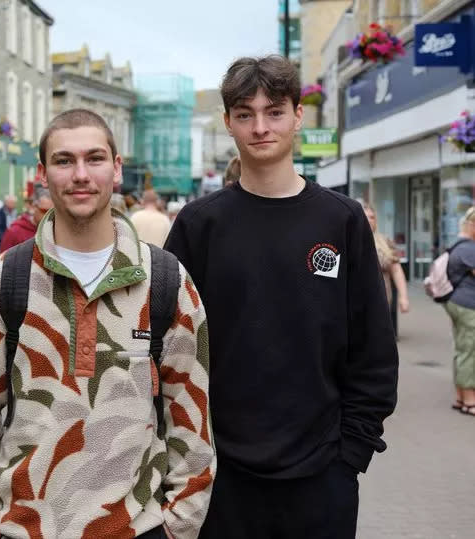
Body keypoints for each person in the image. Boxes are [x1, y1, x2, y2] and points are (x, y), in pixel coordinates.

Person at [0, 109, 214, 539]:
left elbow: (191, 416)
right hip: (22, 530)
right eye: (64, 160)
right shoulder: (3, 281)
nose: (81, 174)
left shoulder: (166, 281)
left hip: (137, 529)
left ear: (117, 167)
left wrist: (178, 527)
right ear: (42, 173)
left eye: (95, 158)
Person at [164, 55, 398, 539]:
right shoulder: (199, 224)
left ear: (298, 116)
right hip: (218, 475)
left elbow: (373, 348)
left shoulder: (342, 220)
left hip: (322, 475)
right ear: (228, 122)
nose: (260, 127)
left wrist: (350, 456)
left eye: (274, 111)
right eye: (245, 114)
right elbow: (166, 350)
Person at [443, 206, 475, 415]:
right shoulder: (469, 248)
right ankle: (470, 401)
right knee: (469, 351)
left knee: (462, 348)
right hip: (467, 304)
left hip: (457, 302)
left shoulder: (458, 244)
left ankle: (460, 395)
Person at [362, 203, 409, 314]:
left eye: (372, 217)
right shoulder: (348, 240)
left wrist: (404, 297)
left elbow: (396, 270)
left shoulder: (385, 242)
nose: (369, 220)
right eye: (365, 216)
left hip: (382, 302)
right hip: (356, 302)